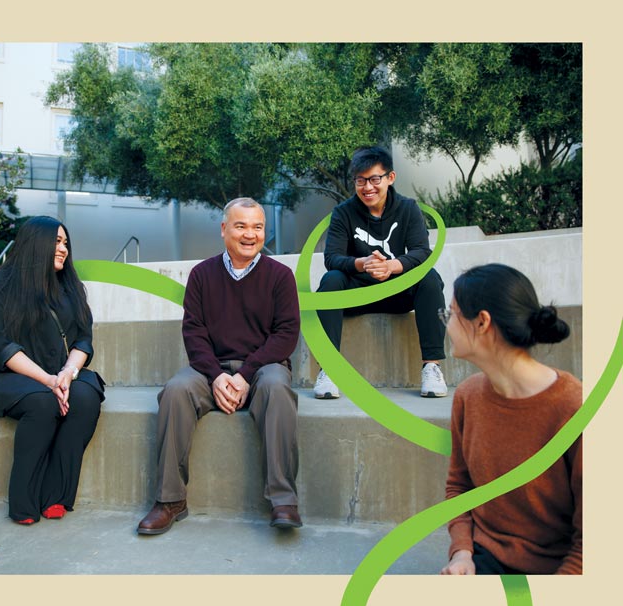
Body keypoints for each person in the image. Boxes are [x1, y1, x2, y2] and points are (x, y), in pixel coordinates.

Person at [137, 197, 302, 535]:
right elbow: (193, 332)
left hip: (263, 368)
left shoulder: (280, 276)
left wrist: (244, 375)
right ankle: (170, 500)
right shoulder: (201, 275)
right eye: (241, 226)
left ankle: (283, 500)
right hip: (209, 367)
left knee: (276, 387)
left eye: (257, 227)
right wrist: (216, 377)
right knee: (176, 390)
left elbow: (285, 335)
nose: (250, 234)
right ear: (224, 229)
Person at [440, 263, 581, 575]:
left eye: (450, 314)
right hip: (485, 559)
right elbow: (459, 485)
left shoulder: (575, 407)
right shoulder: (467, 396)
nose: (447, 325)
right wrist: (462, 554)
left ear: (482, 322)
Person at [0, 216, 105, 525]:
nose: (63, 249)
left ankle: (56, 496)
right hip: (14, 377)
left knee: (85, 398)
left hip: (63, 372)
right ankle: (24, 501)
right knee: (43, 402)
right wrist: (48, 381)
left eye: (65, 243)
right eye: (56, 242)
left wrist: (67, 374)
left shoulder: (71, 287)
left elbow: (84, 340)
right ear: (35, 244)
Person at [312, 145, 447, 399]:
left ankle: (432, 367)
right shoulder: (343, 212)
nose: (367, 187)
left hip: (396, 292)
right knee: (330, 280)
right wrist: (363, 263)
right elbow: (332, 258)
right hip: (357, 294)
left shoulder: (408, 208)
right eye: (360, 181)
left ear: (390, 178)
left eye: (375, 179)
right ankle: (328, 370)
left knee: (430, 278)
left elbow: (421, 252)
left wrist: (391, 266)